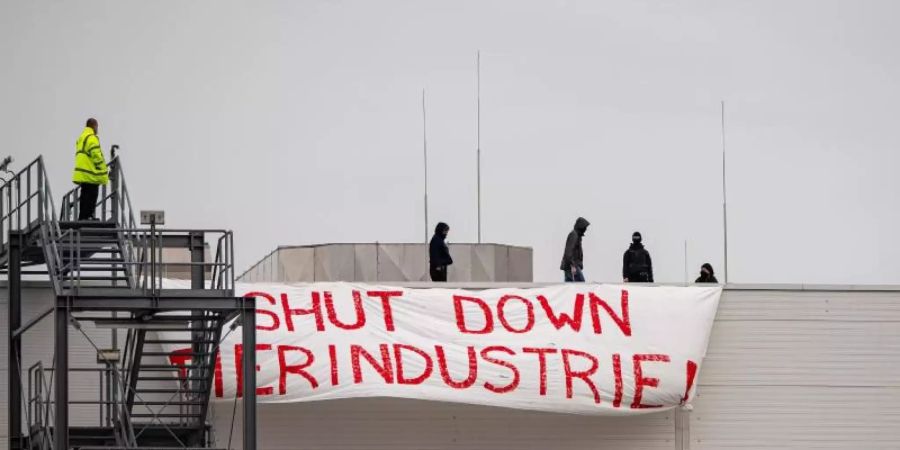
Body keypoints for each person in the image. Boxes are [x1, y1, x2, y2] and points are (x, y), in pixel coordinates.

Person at [72, 118, 109, 220]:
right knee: (92, 194)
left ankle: (82, 217)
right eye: (97, 127)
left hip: (82, 172)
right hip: (90, 172)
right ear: (94, 126)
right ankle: (88, 216)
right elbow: (96, 154)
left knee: (84, 194)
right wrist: (103, 168)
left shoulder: (81, 137)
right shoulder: (92, 137)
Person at [560, 217, 589, 282]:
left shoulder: (577, 236)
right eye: (584, 227)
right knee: (580, 285)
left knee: (572, 285)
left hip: (573, 265)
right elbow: (568, 252)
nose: (586, 229)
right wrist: (572, 265)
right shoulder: (574, 235)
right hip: (572, 265)